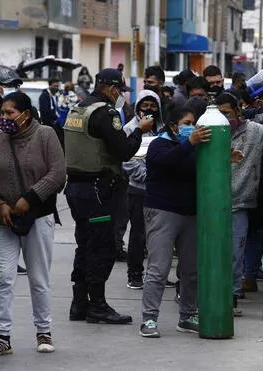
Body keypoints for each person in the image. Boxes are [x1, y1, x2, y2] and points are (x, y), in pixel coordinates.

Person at [64, 68, 153, 325]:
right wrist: (140, 130)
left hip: (76, 189)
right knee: (101, 247)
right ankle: (98, 306)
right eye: (120, 92)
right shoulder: (105, 113)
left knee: (84, 244)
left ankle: (79, 304)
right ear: (113, 90)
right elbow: (124, 151)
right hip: (98, 191)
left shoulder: (78, 109)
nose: (120, 96)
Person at [0, 91, 65, 355]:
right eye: (2, 113)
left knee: (39, 278)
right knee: (4, 277)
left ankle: (43, 331)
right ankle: (2, 336)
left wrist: (29, 198)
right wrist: (0, 203)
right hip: (5, 218)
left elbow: (58, 173)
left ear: (25, 114)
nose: (4, 118)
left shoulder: (45, 135)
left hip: (38, 216)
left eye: (9, 113)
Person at [139, 108, 209, 337]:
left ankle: (187, 315)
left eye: (194, 122)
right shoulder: (160, 144)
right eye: (187, 122)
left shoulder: (192, 147)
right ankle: (149, 319)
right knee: (158, 269)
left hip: (190, 214)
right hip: (162, 212)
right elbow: (169, 161)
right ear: (173, 126)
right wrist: (189, 142)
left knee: (191, 270)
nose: (192, 126)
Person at [215, 92, 263, 313]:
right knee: (214, 251)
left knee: (236, 252)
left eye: (226, 113)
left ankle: (233, 294)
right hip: (213, 202)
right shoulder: (212, 130)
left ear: (237, 110)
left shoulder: (257, 132)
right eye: (219, 113)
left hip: (241, 201)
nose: (224, 118)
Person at [122, 89, 164, 289]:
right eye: (144, 106)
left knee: (158, 235)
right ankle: (135, 274)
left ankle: (156, 274)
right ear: (138, 108)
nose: (149, 110)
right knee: (138, 234)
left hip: (160, 190)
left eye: (153, 105)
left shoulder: (163, 128)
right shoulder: (129, 128)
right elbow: (126, 161)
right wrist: (150, 177)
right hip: (138, 189)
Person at [39, 77, 63, 146]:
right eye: (54, 86)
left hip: (56, 123)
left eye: (57, 86)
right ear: (49, 86)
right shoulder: (45, 96)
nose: (56, 88)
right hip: (50, 125)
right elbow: (45, 112)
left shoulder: (55, 96)